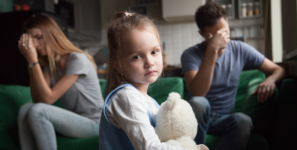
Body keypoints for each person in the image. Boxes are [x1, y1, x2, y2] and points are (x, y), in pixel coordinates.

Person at [181, 2, 285, 150]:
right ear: (203, 34)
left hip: (223, 119)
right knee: (198, 102)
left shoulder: (239, 49)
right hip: (197, 118)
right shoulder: (190, 54)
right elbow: (199, 92)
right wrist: (212, 50)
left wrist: (270, 79)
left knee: (243, 120)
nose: (222, 38)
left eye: (225, 32)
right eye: (216, 35)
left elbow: (278, 69)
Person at [99, 12, 207, 150]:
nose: (149, 62)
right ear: (117, 64)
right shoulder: (126, 97)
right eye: (137, 56)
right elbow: (150, 147)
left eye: (154, 52)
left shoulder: (150, 102)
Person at [17, 15, 104, 150]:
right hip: (75, 121)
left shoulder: (77, 59)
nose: (35, 44)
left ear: (52, 35)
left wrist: (33, 60)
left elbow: (48, 98)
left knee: (38, 111)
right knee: (25, 109)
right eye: (31, 40)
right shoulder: (49, 66)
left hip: (96, 124)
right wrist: (31, 62)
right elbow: (38, 99)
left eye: (38, 37)